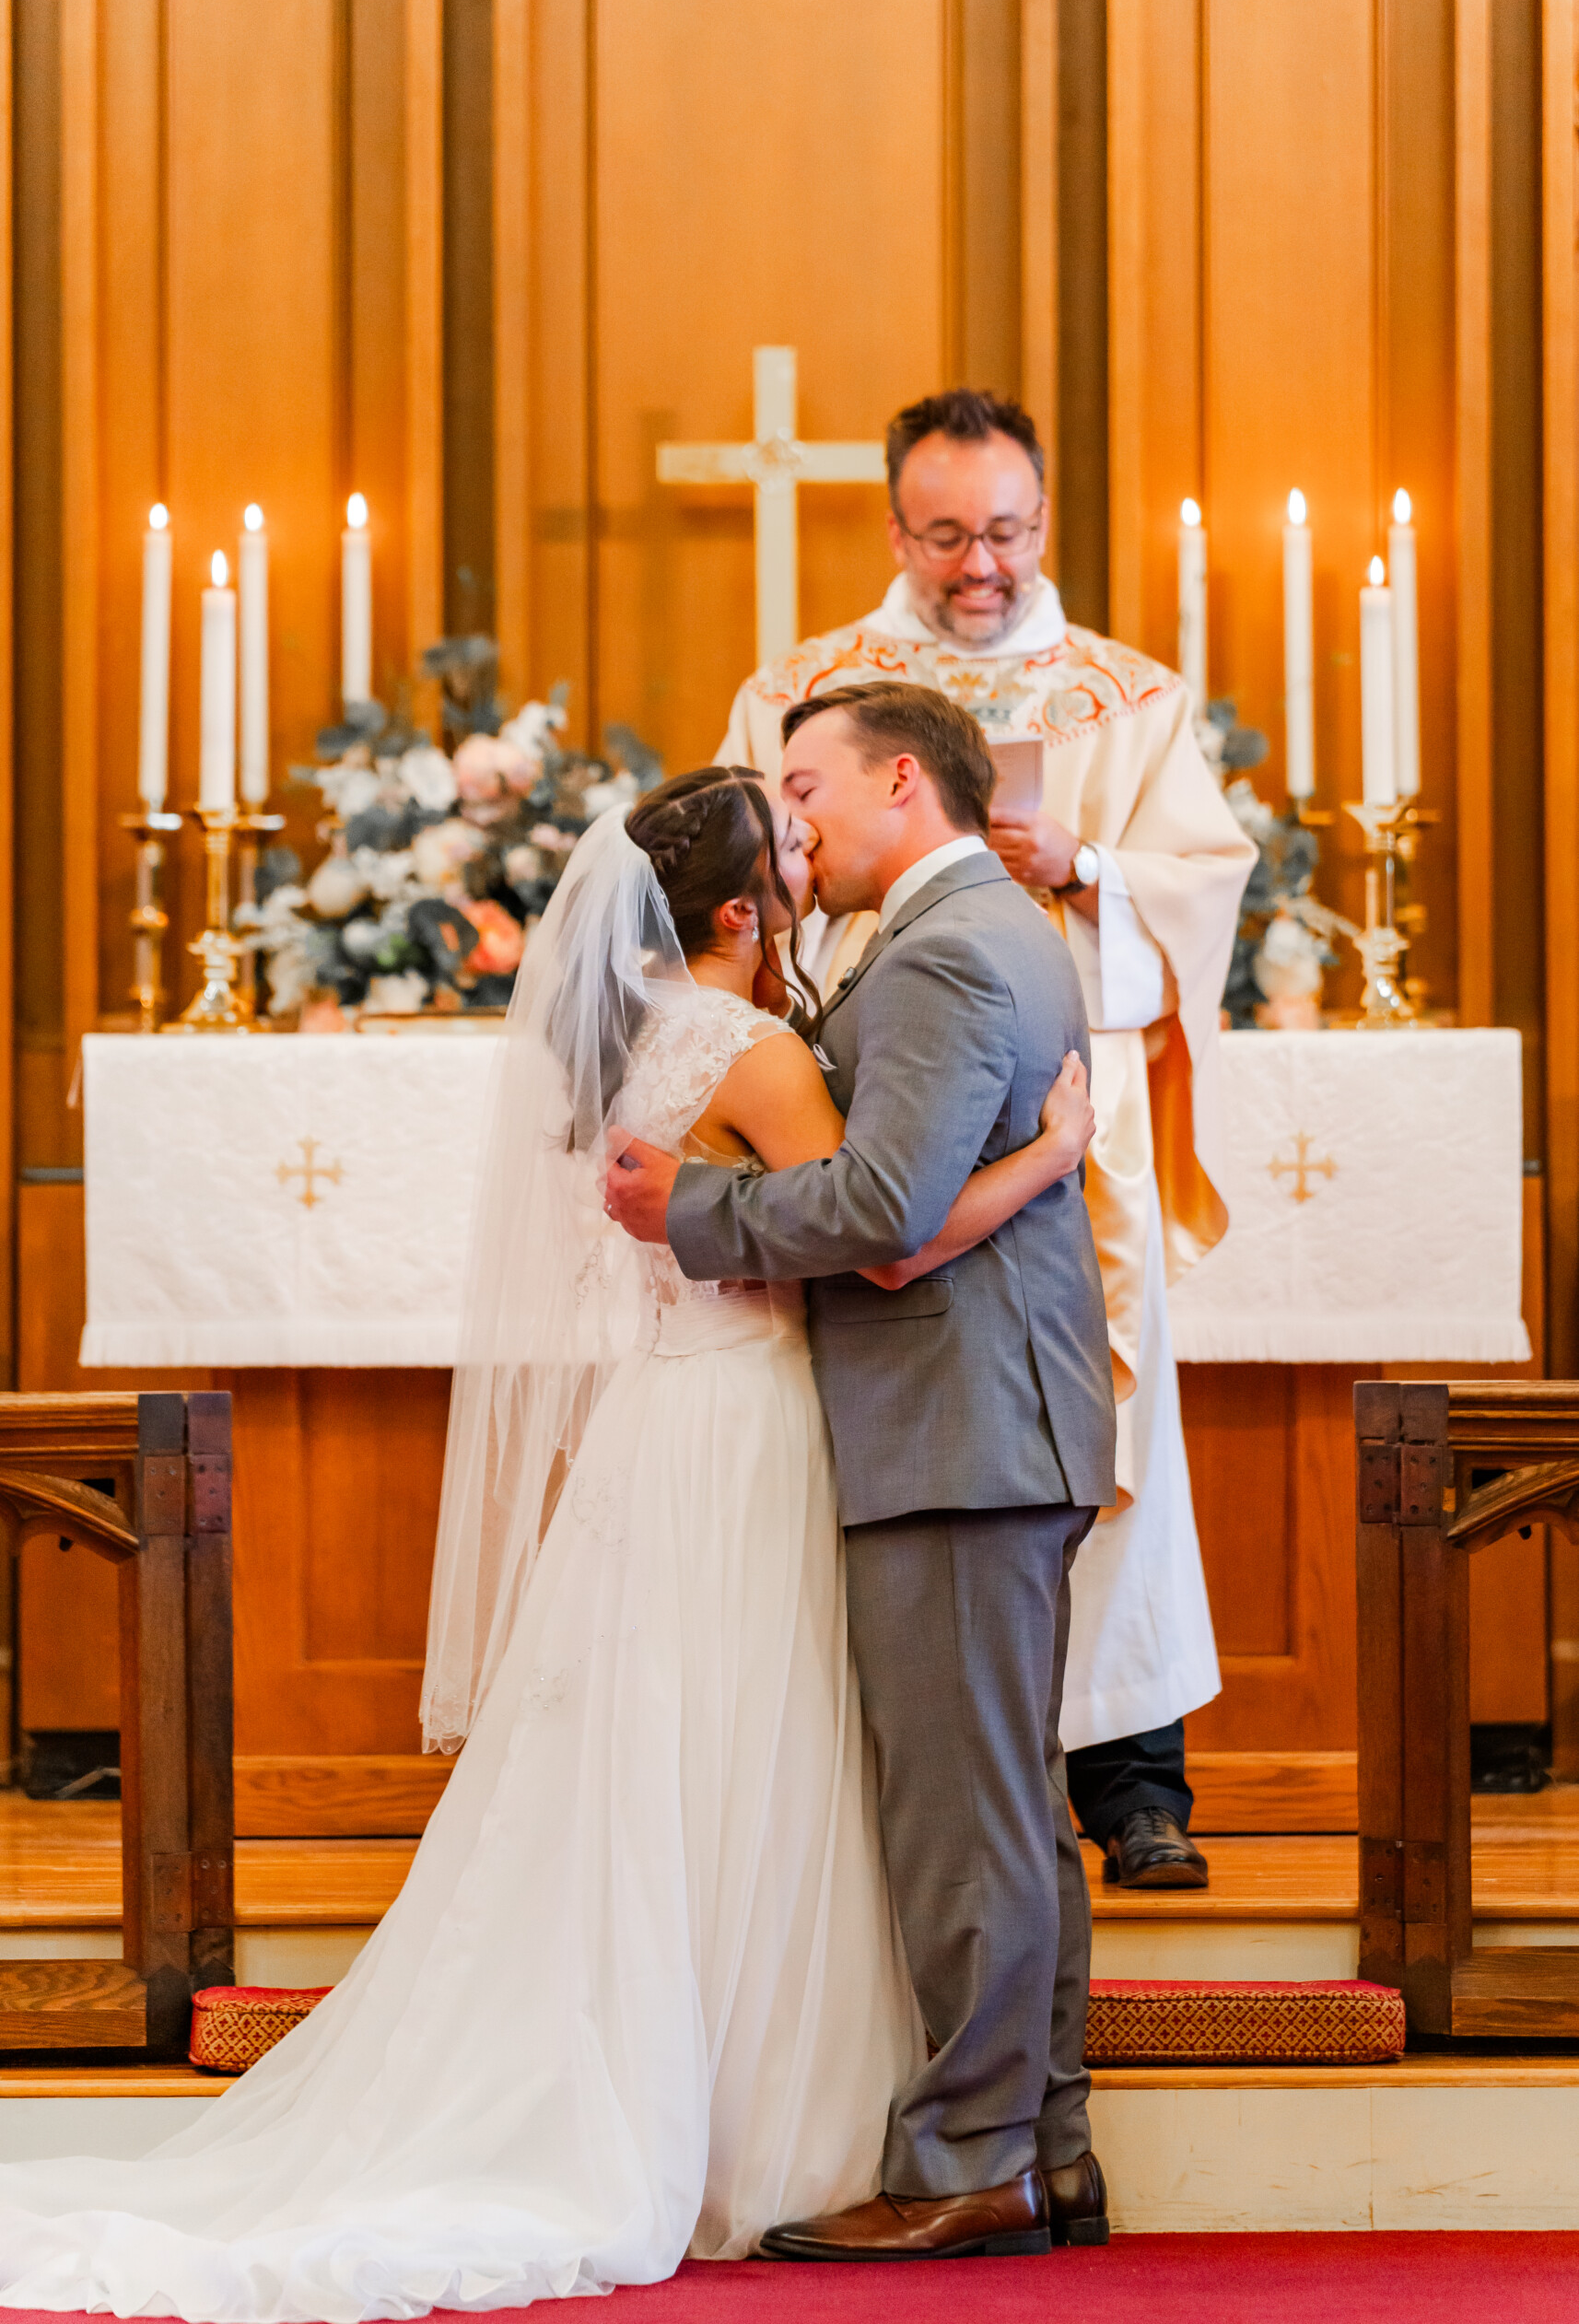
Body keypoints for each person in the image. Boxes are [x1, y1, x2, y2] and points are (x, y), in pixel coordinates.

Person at [0, 770, 1098, 2319]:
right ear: (741, 910)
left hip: (661, 1427)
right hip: (752, 1430)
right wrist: (1050, 1157)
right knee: (757, 1753)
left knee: (663, 1764)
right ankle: (769, 2121)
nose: (810, 845)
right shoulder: (758, 1051)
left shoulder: (643, 1041)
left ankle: (722, 2090)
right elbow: (880, 1238)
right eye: (787, 838)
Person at [606, 684, 1117, 2260]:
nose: (796, 821)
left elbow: (886, 1218)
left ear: (903, 779)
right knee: (1001, 1806)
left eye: (808, 785)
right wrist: (1047, 1156)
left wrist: (689, 1213)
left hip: (958, 1425)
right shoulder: (967, 931)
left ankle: (971, 2161)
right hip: (974, 1422)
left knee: (964, 1820)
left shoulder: (950, 947)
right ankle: (1043, 2148)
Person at [719, 389, 1256, 1890]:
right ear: (896, 530)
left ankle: (1130, 1777)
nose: (980, 566)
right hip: (870, 1094)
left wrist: (1086, 867)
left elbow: (1206, 886)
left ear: (1042, 522)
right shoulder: (801, 693)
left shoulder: (1127, 698)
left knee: (1106, 1430)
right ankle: (905, 1776)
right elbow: (741, 892)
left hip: (1077, 1113)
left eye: (1006, 533)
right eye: (947, 535)